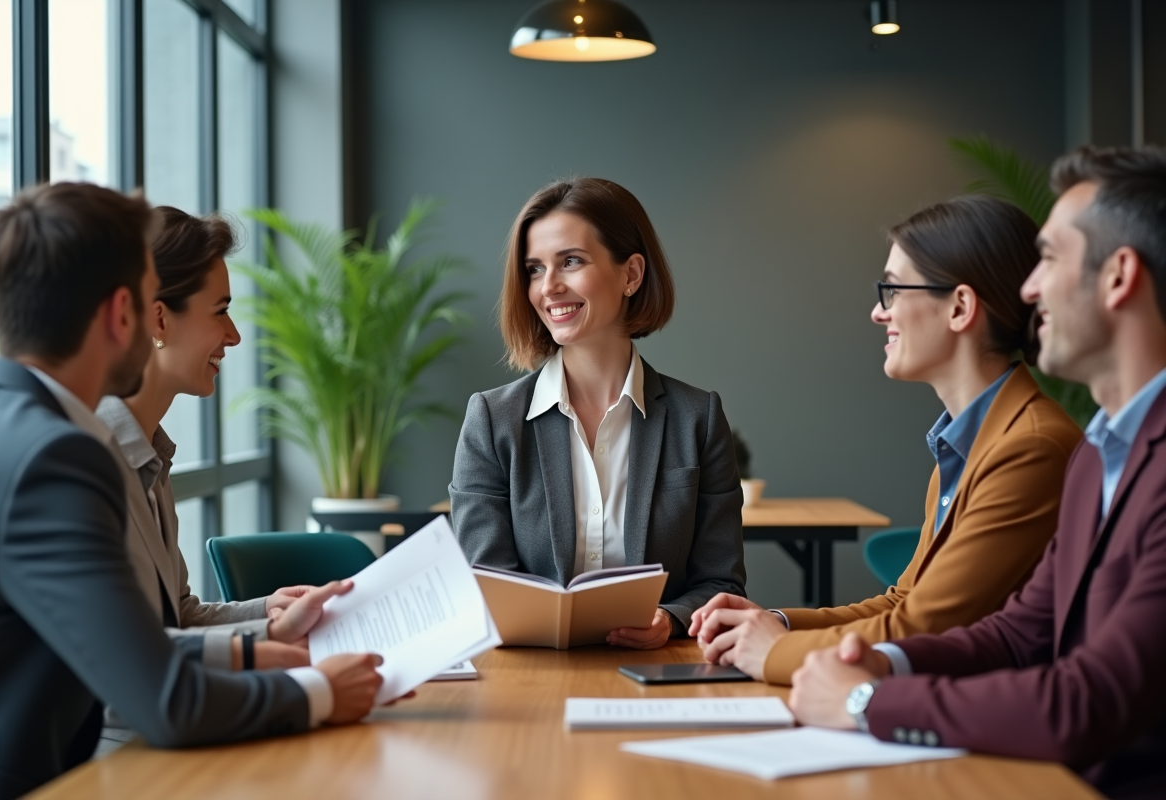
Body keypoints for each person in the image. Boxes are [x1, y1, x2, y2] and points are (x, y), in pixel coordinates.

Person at [0, 183, 386, 800]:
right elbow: (158, 699)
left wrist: (255, 645)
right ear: (124, 314)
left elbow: (133, 639)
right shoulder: (58, 457)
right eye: (143, 298)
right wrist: (318, 690)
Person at [788, 146, 1166, 799]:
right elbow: (1021, 632)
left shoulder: (1065, 447)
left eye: (1049, 259)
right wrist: (881, 662)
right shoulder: (1098, 457)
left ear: (1118, 276)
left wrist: (867, 704)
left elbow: (1091, 698)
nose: (1027, 289)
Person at [689, 196, 1082, 683]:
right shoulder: (966, 445)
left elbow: (924, 627)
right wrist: (774, 624)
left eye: (893, 290)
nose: (879, 312)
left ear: (960, 307)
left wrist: (774, 654)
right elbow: (904, 601)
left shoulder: (1030, 448)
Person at [450, 177, 746, 649]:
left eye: (571, 261)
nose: (549, 287)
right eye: (533, 269)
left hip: (656, 672)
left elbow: (721, 583)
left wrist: (668, 619)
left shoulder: (698, 418)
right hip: (526, 674)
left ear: (631, 274)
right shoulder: (491, 419)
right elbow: (483, 581)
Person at [95, 208, 309, 671]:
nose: (233, 336)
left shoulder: (149, 451)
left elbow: (178, 618)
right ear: (158, 320)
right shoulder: (92, 459)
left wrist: (271, 616)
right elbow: (122, 661)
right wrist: (261, 655)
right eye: (221, 311)